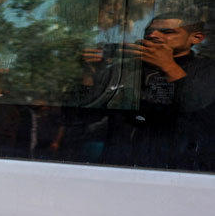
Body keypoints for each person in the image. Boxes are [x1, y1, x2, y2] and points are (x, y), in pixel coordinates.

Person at [77, 13, 215, 170]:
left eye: (167, 31)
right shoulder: (126, 69)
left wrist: (169, 67)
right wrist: (89, 75)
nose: (154, 35)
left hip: (179, 169)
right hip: (117, 166)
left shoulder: (207, 70)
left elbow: (202, 116)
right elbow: (80, 118)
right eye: (149, 32)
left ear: (196, 38)